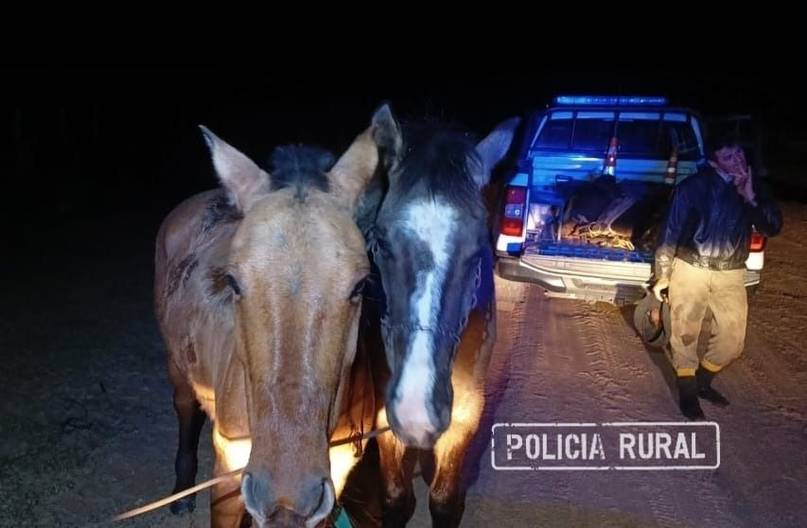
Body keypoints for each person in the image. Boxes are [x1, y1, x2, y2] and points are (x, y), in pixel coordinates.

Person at [653, 137, 782, 419]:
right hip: (691, 267)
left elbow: (772, 227)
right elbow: (670, 231)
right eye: (728, 156)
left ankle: (701, 382)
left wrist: (750, 197)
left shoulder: (753, 188)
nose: (737, 161)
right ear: (713, 162)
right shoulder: (693, 187)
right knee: (684, 334)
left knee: (732, 342)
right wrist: (662, 274)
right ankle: (687, 394)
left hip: (732, 272)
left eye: (738, 153)